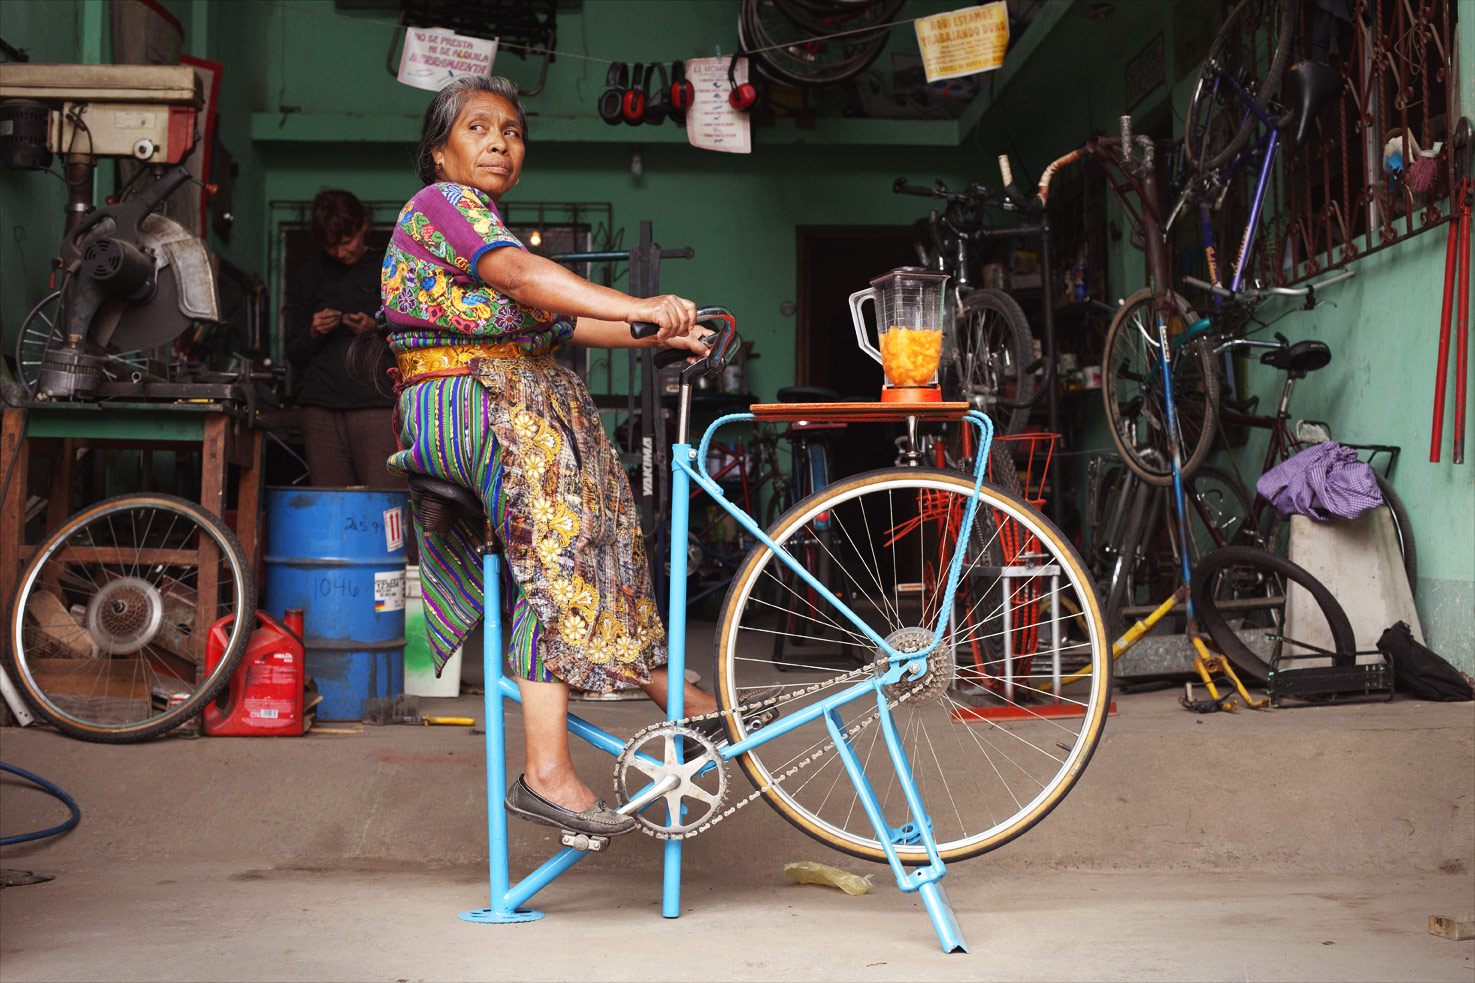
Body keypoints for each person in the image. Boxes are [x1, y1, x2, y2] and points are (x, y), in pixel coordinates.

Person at [379, 75, 726, 838]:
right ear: (439, 153)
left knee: (599, 542)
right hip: (465, 399)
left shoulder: (488, 233)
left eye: (511, 129)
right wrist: (638, 304)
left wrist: (659, 331)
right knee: (558, 544)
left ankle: (676, 693)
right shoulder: (446, 210)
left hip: (507, 395)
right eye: (478, 128)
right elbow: (520, 278)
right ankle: (545, 772)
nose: (500, 141)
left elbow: (561, 323)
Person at [285, 190, 403, 490]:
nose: (340, 252)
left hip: (377, 405)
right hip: (322, 408)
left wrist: (375, 330)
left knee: (384, 500)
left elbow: (413, 340)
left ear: (364, 224)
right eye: (331, 245)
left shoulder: (389, 269)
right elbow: (294, 354)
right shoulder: (309, 277)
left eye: (346, 241)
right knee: (331, 502)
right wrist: (313, 331)